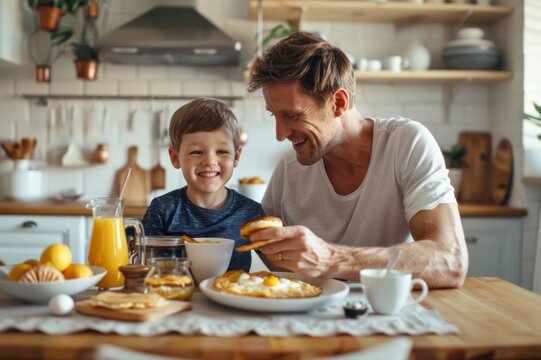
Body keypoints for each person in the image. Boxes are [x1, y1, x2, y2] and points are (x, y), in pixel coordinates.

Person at [246, 32, 468, 288]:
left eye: (292, 116)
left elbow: (450, 262)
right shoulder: (289, 168)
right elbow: (273, 255)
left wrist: (331, 259)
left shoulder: (406, 144)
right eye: (275, 116)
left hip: (392, 315)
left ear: (338, 102)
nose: (280, 134)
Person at [142, 98, 265, 272]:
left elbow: (277, 264)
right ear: (175, 158)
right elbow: (146, 268)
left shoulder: (251, 213)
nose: (210, 161)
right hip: (177, 297)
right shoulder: (162, 210)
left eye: (222, 151)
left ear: (236, 157)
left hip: (233, 298)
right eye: (197, 152)